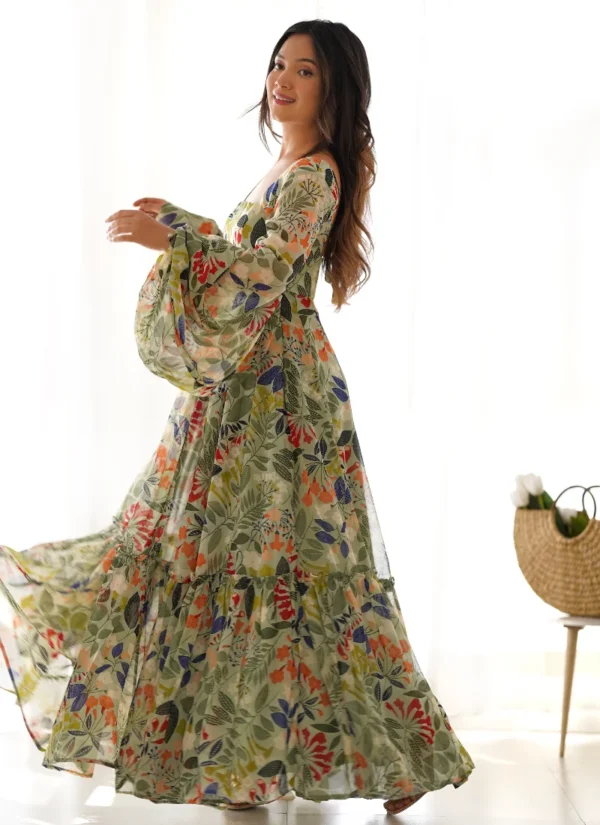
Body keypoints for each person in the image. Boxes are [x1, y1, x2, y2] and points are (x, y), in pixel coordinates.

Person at [0, 18, 475, 815]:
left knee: (299, 578)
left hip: (283, 403)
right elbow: (245, 250)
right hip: (241, 389)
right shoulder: (284, 167)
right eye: (278, 64)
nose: (282, 79)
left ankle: (381, 760)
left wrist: (174, 237)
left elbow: (265, 269)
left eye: (305, 70)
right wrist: (187, 223)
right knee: (217, 561)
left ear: (334, 88)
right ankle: (257, 761)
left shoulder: (315, 176)